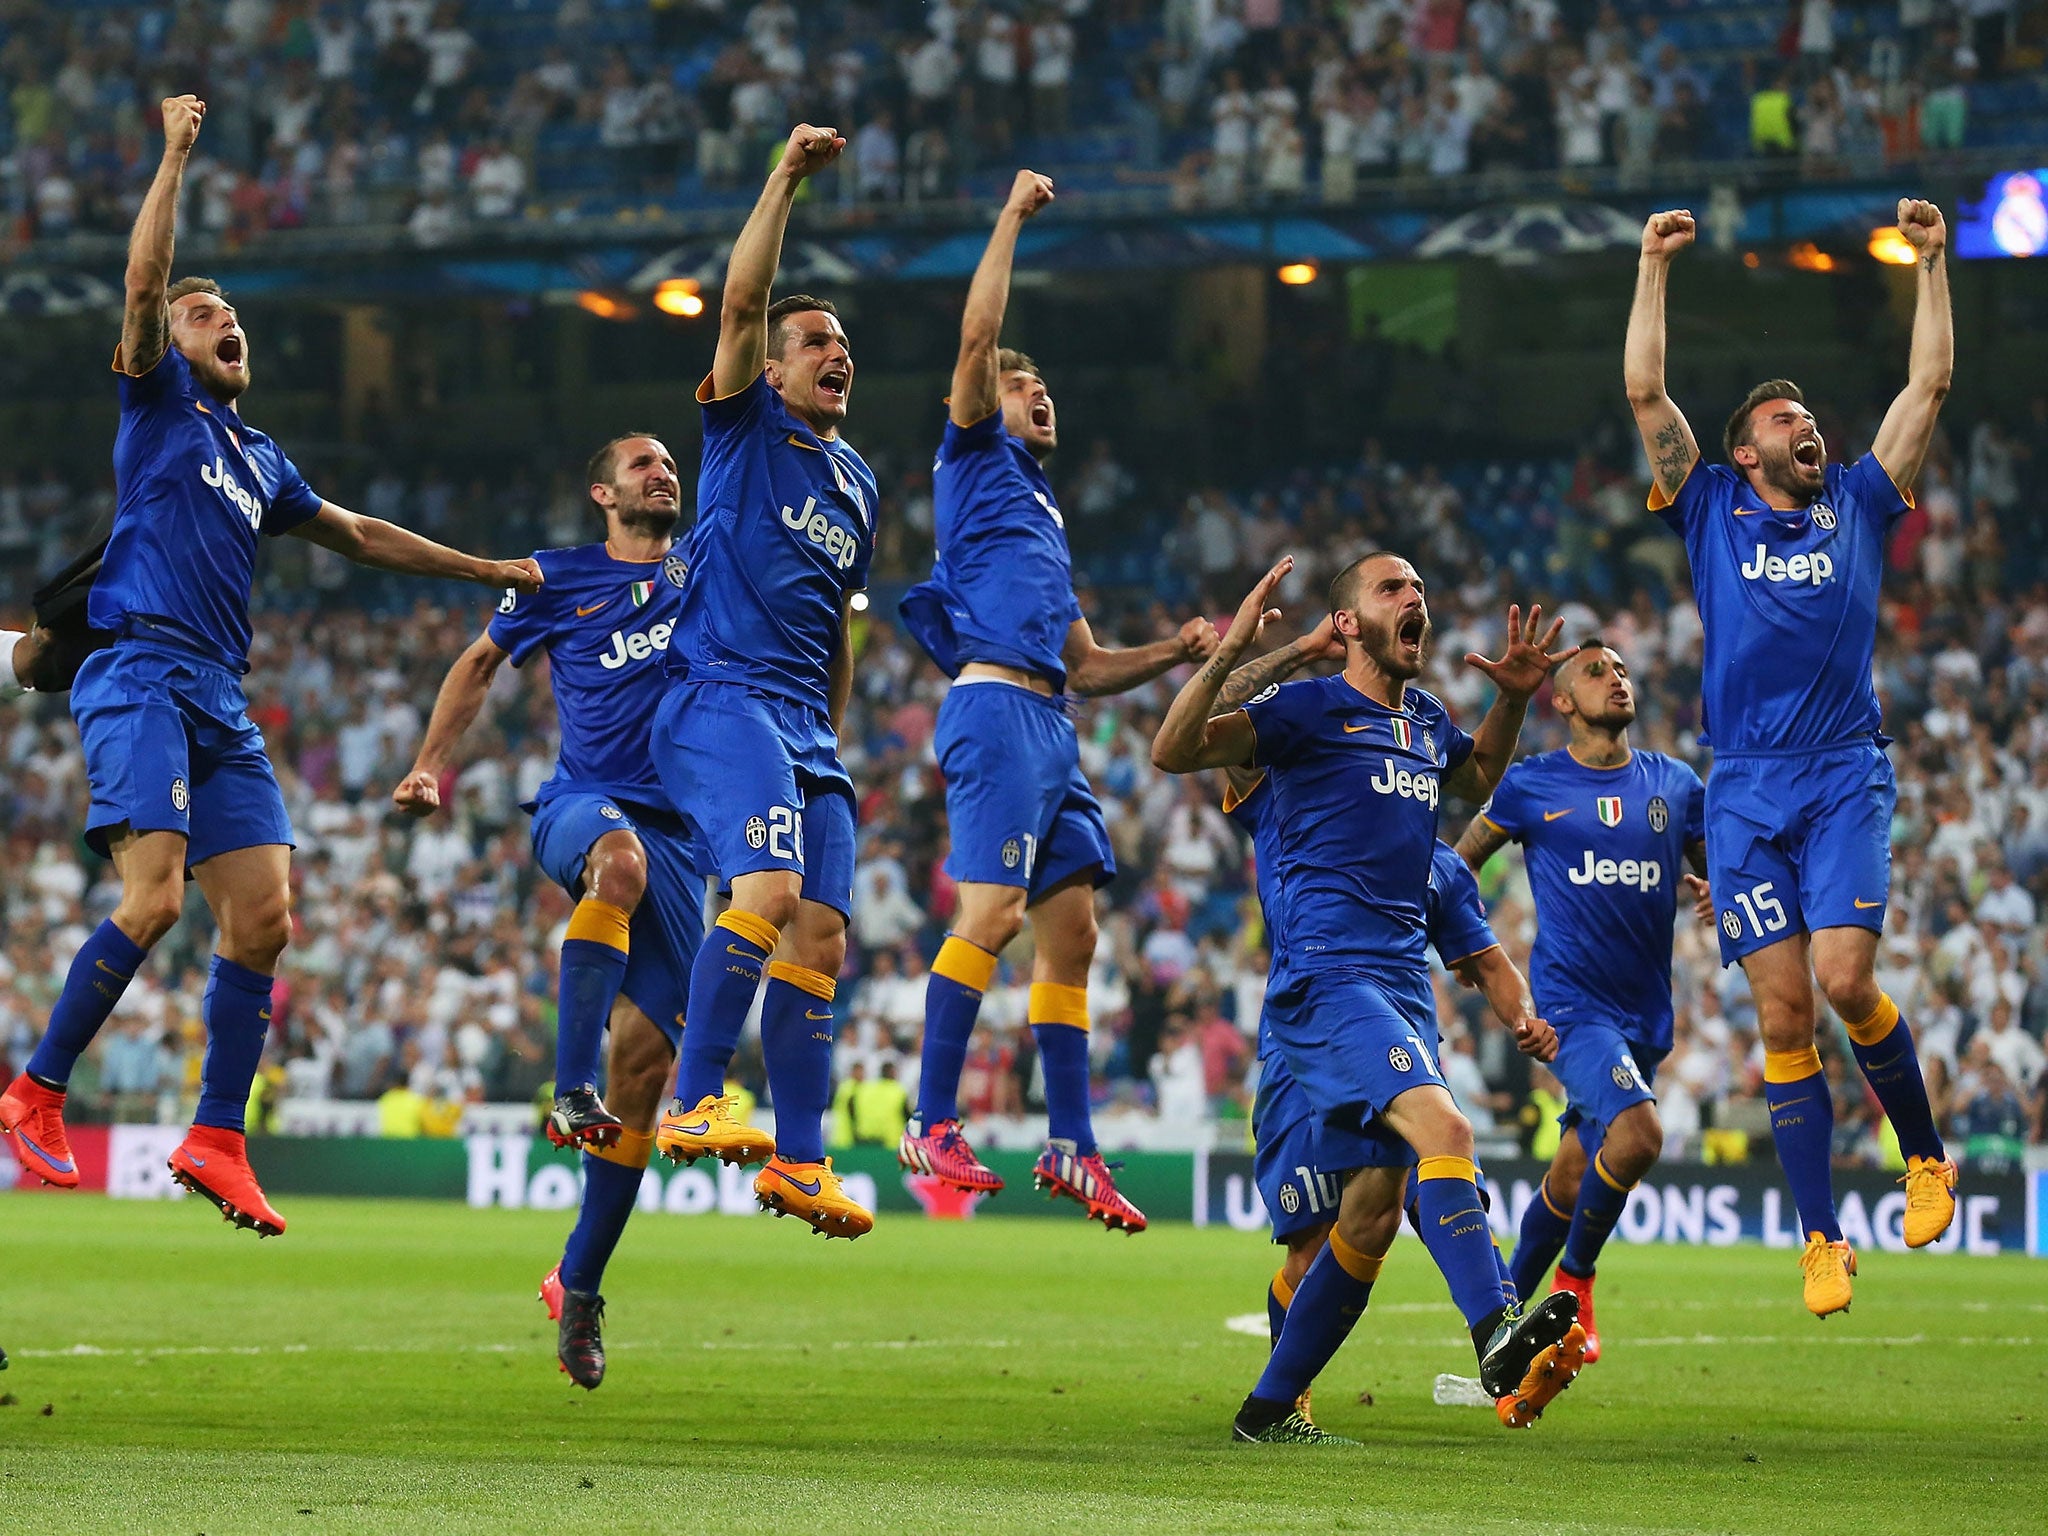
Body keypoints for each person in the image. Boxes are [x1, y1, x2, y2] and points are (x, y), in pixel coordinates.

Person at [0, 95, 540, 1235]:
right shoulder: (155, 406)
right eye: (206, 312)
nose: (220, 316)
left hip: (214, 692)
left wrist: (475, 563)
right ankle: (36, 1091)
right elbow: (145, 286)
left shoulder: (260, 459)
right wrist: (175, 156)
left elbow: (359, 533)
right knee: (151, 903)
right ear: (175, 345)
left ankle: (216, 1135)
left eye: (229, 310)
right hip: (139, 673)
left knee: (265, 919)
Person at [1152, 553, 1582, 1445]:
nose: (1415, 599)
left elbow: (1477, 782)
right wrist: (1236, 646)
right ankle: (1497, 1326)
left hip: (1400, 986)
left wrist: (1511, 699)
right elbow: (1174, 750)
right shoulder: (1307, 711)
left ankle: (1267, 1410)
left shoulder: (1425, 721)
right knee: (1446, 1134)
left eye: (1421, 589)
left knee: (1375, 1209)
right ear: (1347, 623)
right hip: (1327, 979)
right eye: (1393, 590)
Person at [1625, 201, 1958, 1317]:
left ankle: (1921, 1154)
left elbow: (1926, 391)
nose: (1804, 425)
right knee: (1779, 1018)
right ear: (1743, 448)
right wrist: (1650, 269)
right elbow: (1642, 396)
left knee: (1844, 981)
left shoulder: (1858, 502)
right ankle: (1820, 1238)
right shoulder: (1708, 504)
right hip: (1742, 786)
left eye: (1809, 415)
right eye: (1783, 416)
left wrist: (1932, 266)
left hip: (1838, 769)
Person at [896, 170, 1219, 1231]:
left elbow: (1083, 664)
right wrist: (1009, 218)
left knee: (1072, 933)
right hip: (992, 711)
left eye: (1043, 391)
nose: (1043, 397)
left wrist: (1173, 648)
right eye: (1024, 386)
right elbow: (978, 330)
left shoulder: (1037, 516)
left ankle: (1072, 1145)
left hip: (1052, 723)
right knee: (988, 915)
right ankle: (929, 1119)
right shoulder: (974, 457)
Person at [391, 433, 715, 1389]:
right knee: (616, 868)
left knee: (647, 1069)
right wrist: (428, 767)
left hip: (686, 839)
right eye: (643, 464)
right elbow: (478, 665)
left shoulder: (706, 569)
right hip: (585, 806)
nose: (664, 473)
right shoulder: (555, 578)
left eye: (670, 463)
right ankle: (568, 1087)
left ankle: (578, 1283)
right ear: (601, 492)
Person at [648, 125, 877, 1240]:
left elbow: (839, 620)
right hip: (719, 690)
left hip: (806, 727)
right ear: (775, 367)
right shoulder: (741, 430)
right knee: (768, 897)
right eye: (816, 342)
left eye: (845, 344)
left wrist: (828, 742)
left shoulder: (860, 484)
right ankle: (691, 1101)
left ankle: (798, 1160)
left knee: (821, 937)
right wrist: (784, 176)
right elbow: (739, 304)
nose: (837, 354)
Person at [1457, 641, 1709, 1359]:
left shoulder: (1675, 784)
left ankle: (1496, 1344)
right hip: (1573, 1009)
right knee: (1639, 1136)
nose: (1616, 678)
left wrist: (1714, 882)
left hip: (1646, 1019)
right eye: (1596, 671)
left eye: (1623, 669)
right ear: (1562, 701)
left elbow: (1713, 865)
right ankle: (1574, 1286)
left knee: (1571, 1177)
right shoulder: (1532, 785)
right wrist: (1471, 949)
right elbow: (1458, 867)